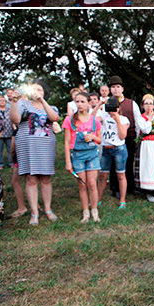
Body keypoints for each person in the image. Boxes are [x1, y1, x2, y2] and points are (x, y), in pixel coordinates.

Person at [8, 79, 60, 226]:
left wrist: (42, 101)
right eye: (34, 89)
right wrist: (13, 102)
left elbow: (54, 118)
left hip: (46, 145)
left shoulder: (51, 107)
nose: (36, 92)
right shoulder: (23, 104)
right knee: (30, 179)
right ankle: (34, 213)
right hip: (27, 145)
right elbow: (15, 119)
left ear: (44, 93)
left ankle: (48, 209)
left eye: (40, 90)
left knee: (45, 178)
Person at [63, 89, 101, 223]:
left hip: (92, 154)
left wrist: (93, 137)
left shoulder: (95, 120)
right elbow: (67, 142)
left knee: (92, 184)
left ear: (89, 104)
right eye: (77, 102)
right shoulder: (70, 120)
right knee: (82, 184)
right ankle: (85, 212)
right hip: (77, 155)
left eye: (82, 102)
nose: (79, 104)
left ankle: (95, 211)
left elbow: (100, 140)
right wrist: (68, 161)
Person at [97, 95, 129, 210]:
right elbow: (90, 120)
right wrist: (99, 105)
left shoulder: (124, 119)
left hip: (119, 149)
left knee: (120, 174)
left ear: (118, 108)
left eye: (113, 108)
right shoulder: (103, 116)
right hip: (106, 148)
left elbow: (122, 136)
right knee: (102, 175)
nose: (111, 111)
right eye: (109, 108)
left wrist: (117, 120)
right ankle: (98, 199)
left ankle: (122, 200)